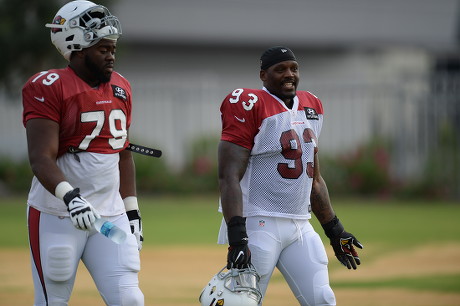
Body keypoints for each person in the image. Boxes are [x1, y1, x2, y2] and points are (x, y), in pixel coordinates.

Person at [217, 46, 363, 305]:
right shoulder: (250, 103)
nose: (289, 75)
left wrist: (334, 229)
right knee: (243, 302)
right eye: (280, 69)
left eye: (294, 68)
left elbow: (314, 179)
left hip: (300, 225)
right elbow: (229, 176)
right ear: (263, 75)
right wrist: (237, 237)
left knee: (323, 298)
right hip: (259, 223)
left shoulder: (312, 106)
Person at [22, 1, 144, 305]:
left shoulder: (122, 86)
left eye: (113, 48)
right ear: (76, 48)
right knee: (53, 300)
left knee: (130, 300)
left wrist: (132, 210)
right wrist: (71, 198)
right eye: (103, 49)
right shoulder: (49, 86)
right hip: (58, 213)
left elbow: (123, 153)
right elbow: (40, 157)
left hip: (110, 215)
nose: (111, 55)